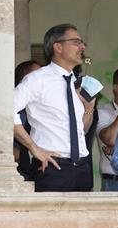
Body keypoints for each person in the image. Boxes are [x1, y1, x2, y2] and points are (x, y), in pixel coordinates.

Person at [13, 24, 100, 192]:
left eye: (82, 43)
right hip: (53, 167)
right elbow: (7, 111)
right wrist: (34, 148)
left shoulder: (76, 84)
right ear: (58, 46)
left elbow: (82, 129)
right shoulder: (37, 79)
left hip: (82, 168)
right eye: (76, 42)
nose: (82, 47)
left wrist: (89, 108)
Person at [13, 60, 41, 180]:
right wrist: (31, 154)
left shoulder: (42, 109)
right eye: (36, 75)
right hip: (20, 174)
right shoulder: (16, 110)